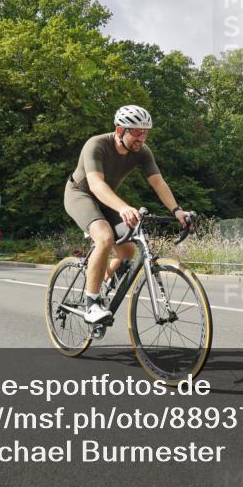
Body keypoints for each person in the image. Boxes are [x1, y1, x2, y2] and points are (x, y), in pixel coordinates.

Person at [65, 105, 190, 324]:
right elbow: (95, 184)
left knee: (128, 250)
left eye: (146, 132)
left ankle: (101, 278)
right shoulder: (96, 145)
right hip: (80, 194)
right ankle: (92, 304)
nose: (142, 137)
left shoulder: (142, 151)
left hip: (107, 198)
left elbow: (158, 182)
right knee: (105, 238)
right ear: (120, 130)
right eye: (137, 132)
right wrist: (123, 207)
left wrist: (177, 210)